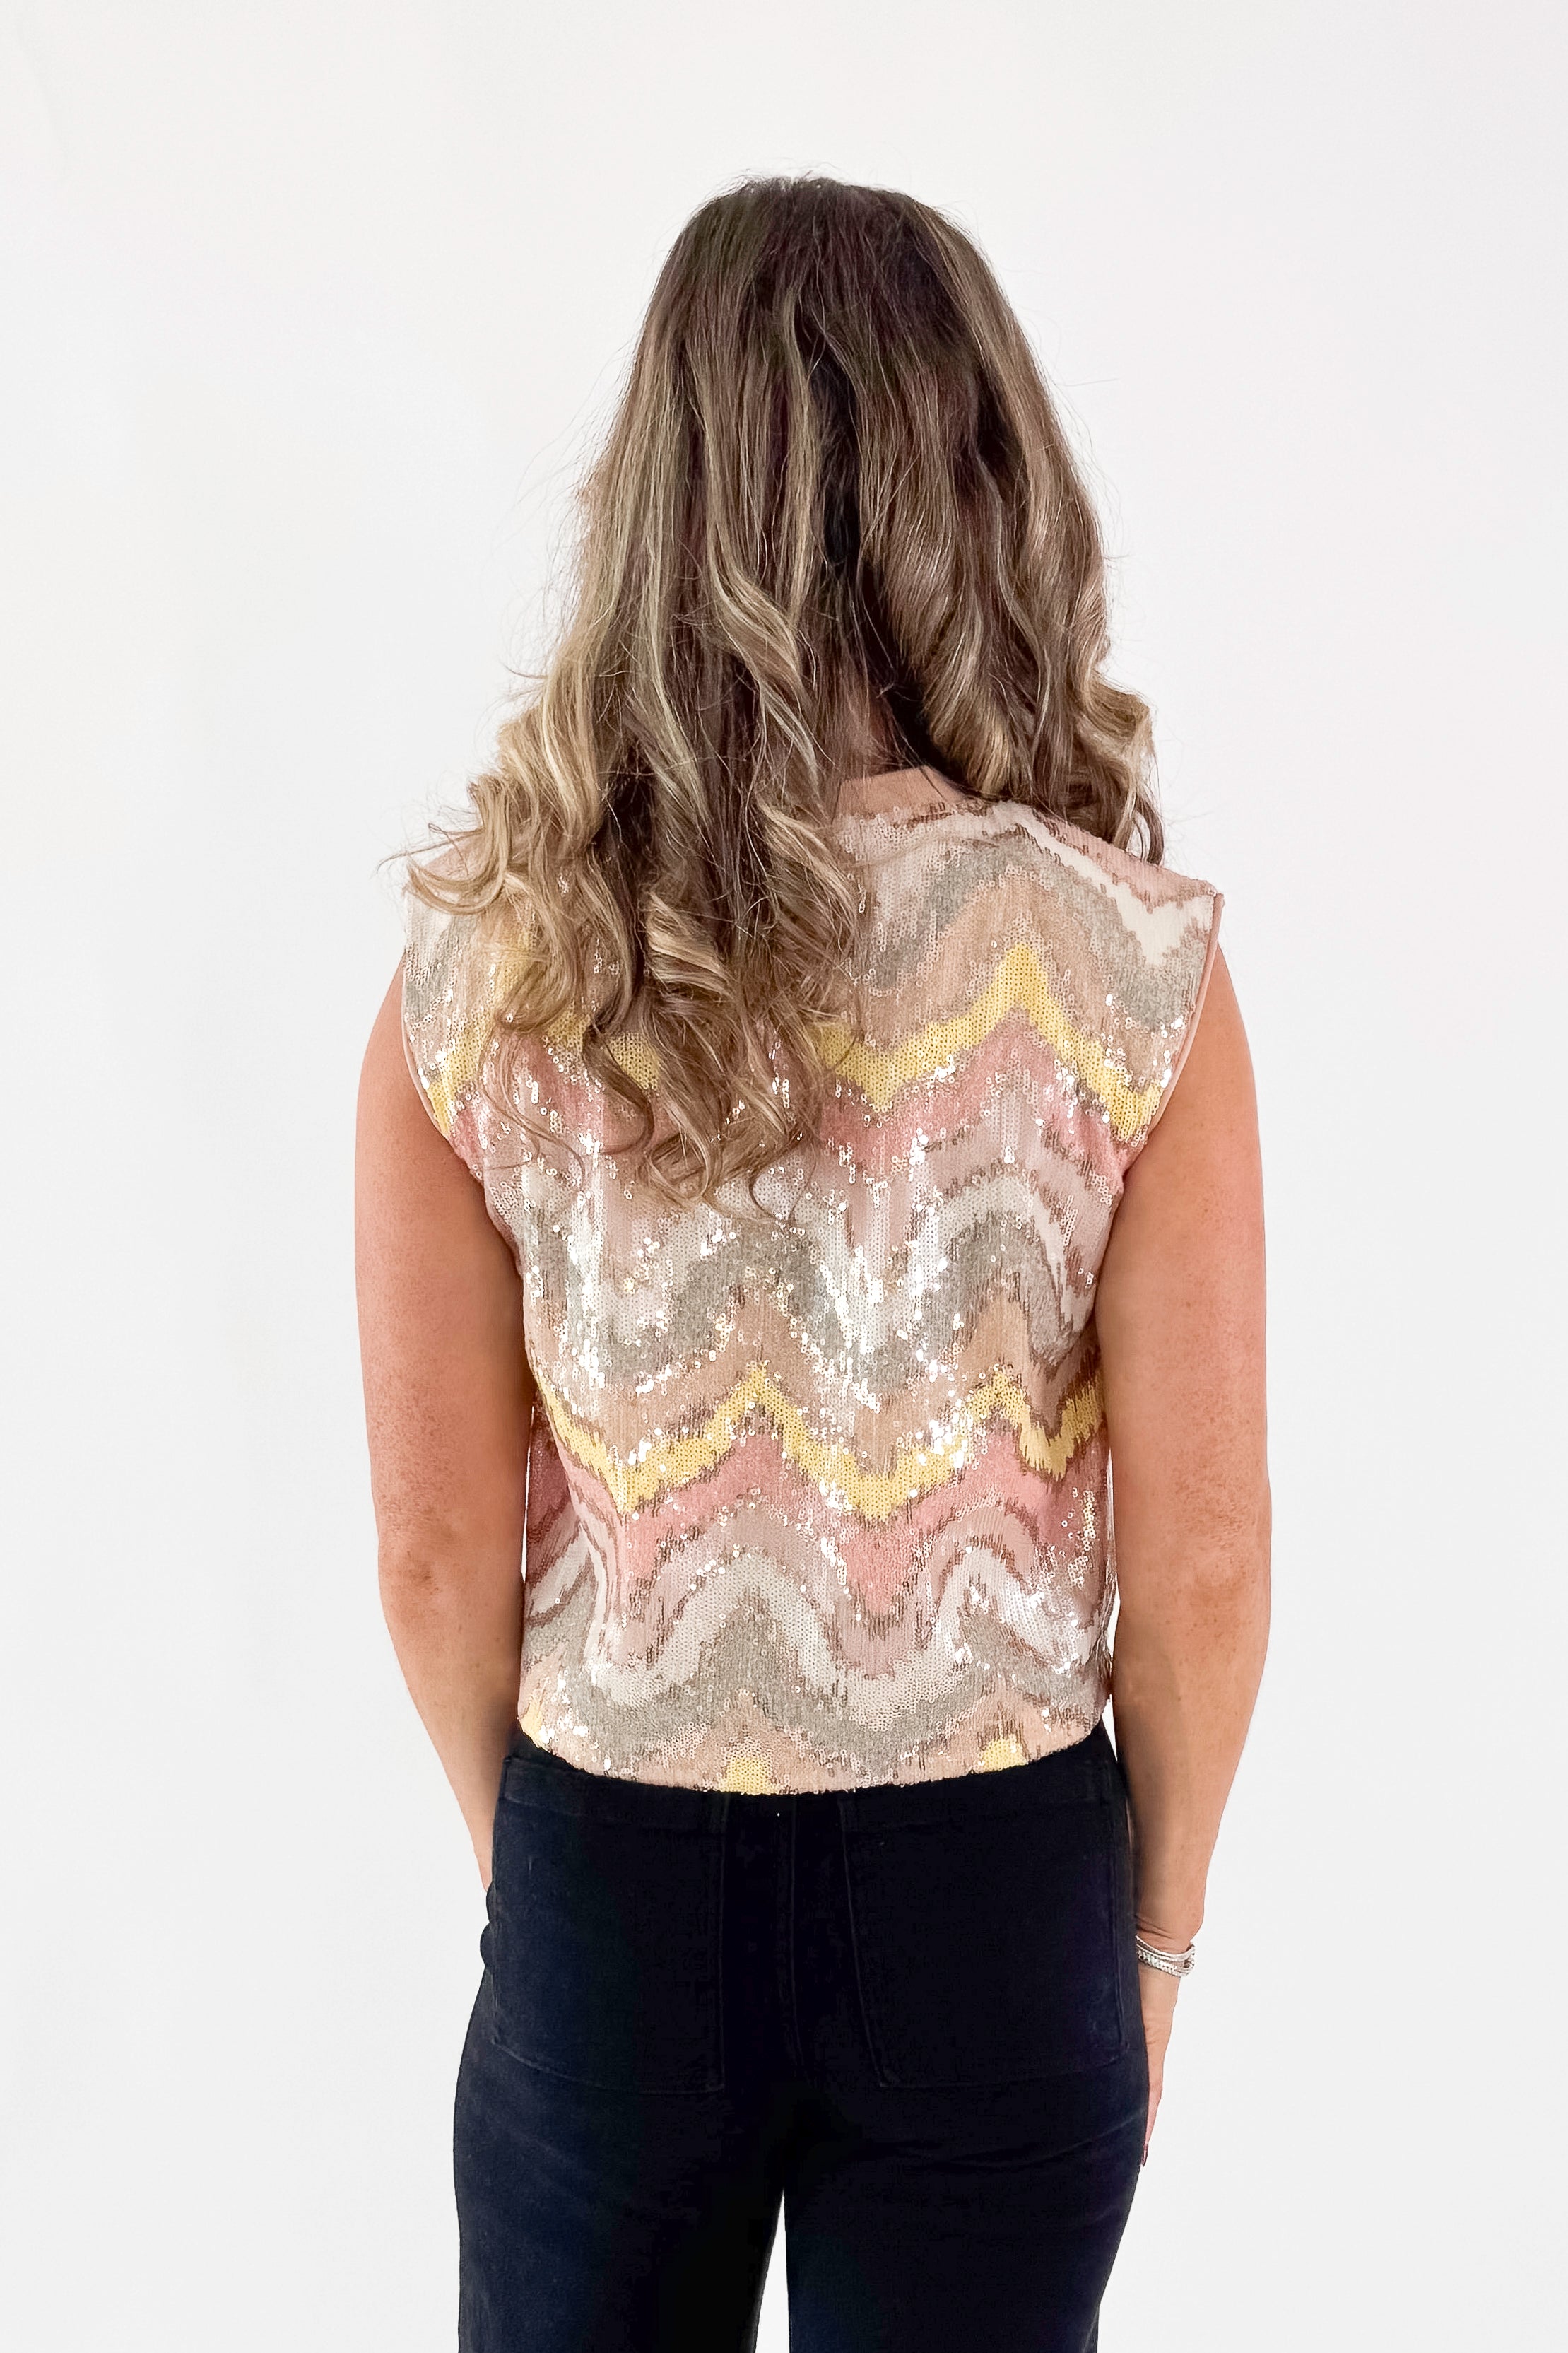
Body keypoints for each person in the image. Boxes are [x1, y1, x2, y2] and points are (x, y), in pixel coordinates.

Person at [355, 174, 1269, 2353]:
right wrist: (1150, 1943)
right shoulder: (1126, 964)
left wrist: (555, 1882)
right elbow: (1210, 1552)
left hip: (614, 1853)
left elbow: (426, 1545)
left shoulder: (487, 965)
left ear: (657, 485)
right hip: (995, 1882)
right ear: (987, 476)